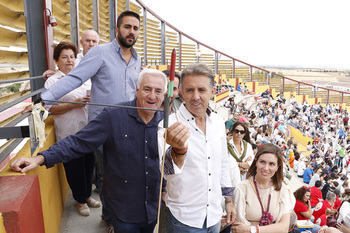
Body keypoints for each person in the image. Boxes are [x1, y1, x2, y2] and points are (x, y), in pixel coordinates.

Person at [11, 69, 167, 233]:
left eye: (158, 91)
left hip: (152, 208)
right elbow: (78, 142)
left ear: (164, 95)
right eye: (147, 89)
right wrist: (40, 158)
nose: (152, 96)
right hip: (125, 211)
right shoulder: (113, 116)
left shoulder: (166, 122)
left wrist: (164, 190)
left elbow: (166, 161)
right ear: (137, 90)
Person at [41, 11, 141, 228]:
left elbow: (135, 92)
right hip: (104, 128)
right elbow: (76, 78)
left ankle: (113, 217)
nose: (131, 32)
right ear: (117, 30)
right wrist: (47, 95)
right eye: (127, 27)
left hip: (128, 127)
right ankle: (110, 219)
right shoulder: (99, 53)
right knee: (107, 177)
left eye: (135, 28)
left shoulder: (137, 58)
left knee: (123, 175)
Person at [158, 63, 236, 232]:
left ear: (212, 92)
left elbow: (222, 164)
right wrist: (178, 150)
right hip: (184, 219)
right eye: (189, 90)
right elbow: (167, 172)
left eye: (201, 90)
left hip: (214, 215)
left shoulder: (217, 122)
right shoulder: (169, 125)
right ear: (181, 93)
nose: (195, 96)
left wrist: (229, 201)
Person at [43, 41, 100, 216]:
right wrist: (73, 104)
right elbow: (50, 108)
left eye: (72, 57)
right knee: (74, 170)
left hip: (87, 132)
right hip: (68, 134)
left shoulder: (84, 78)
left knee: (88, 167)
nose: (69, 60)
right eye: (64, 57)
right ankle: (80, 201)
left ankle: (88, 196)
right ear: (56, 61)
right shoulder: (52, 81)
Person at [232, 143, 295, 233]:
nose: (266, 168)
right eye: (262, 162)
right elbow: (239, 228)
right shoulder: (242, 189)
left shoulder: (283, 189)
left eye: (271, 164)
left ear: (277, 167)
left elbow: (284, 227)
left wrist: (253, 229)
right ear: (256, 162)